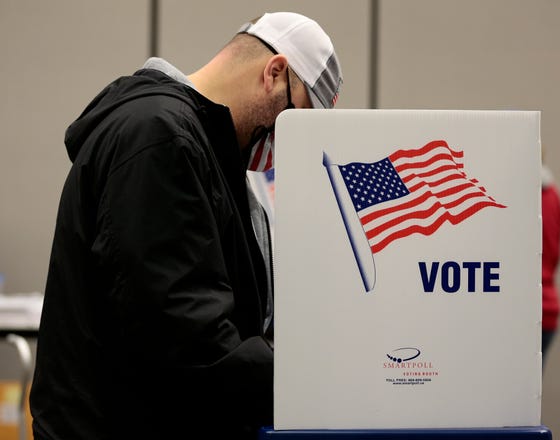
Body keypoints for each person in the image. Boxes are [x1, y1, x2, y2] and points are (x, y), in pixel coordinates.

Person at [29, 12, 342, 440]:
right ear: (274, 73)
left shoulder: (201, 149)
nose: (277, 151)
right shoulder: (159, 139)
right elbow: (188, 341)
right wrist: (313, 378)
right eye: (292, 121)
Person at [541, 161, 560, 367]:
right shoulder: (554, 195)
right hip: (549, 307)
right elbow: (555, 255)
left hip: (526, 312)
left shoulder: (517, 195)